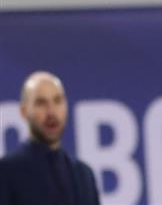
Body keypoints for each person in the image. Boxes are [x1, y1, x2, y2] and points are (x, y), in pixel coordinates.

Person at [0, 71, 100, 205]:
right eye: (41, 103)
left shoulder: (84, 175)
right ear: (24, 111)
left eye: (57, 101)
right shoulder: (6, 172)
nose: (51, 112)